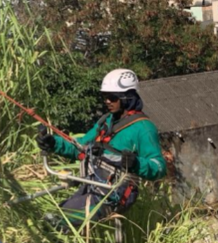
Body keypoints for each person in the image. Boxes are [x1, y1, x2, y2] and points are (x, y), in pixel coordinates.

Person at [37, 68, 166, 227]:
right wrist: (53, 143)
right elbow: (81, 147)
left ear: (127, 97)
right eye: (104, 97)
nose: (107, 101)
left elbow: (159, 167)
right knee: (52, 216)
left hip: (115, 194)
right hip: (92, 186)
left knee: (61, 222)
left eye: (112, 97)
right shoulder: (106, 122)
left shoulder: (144, 128)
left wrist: (136, 163)